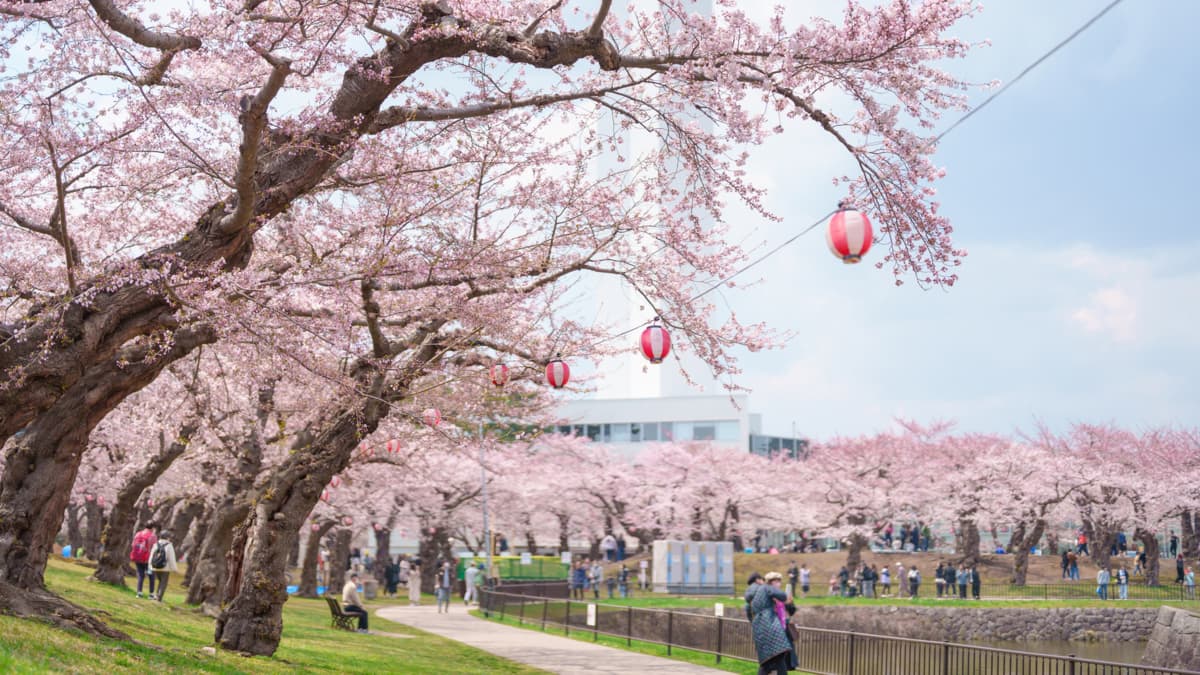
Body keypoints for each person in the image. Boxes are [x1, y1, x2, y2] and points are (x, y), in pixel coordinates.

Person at [748, 572, 793, 675]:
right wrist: (785, 597)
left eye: (779, 581)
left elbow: (748, 609)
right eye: (776, 581)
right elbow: (782, 595)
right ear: (771, 582)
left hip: (761, 628)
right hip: (771, 627)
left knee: (769, 662)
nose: (779, 584)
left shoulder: (760, 592)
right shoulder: (767, 588)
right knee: (777, 659)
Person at [147, 529, 178, 602]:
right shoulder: (169, 545)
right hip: (165, 568)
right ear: (167, 537)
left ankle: (156, 595)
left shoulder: (156, 544)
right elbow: (171, 558)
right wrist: (174, 569)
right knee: (163, 583)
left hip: (155, 566)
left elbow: (151, 556)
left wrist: (150, 566)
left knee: (160, 581)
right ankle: (159, 598)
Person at [129, 522, 158, 599]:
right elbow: (155, 548)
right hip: (148, 560)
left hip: (138, 558)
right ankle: (151, 594)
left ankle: (139, 593)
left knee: (140, 575)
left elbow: (133, 545)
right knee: (151, 576)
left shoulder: (138, 534)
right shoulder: (152, 536)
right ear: (152, 528)